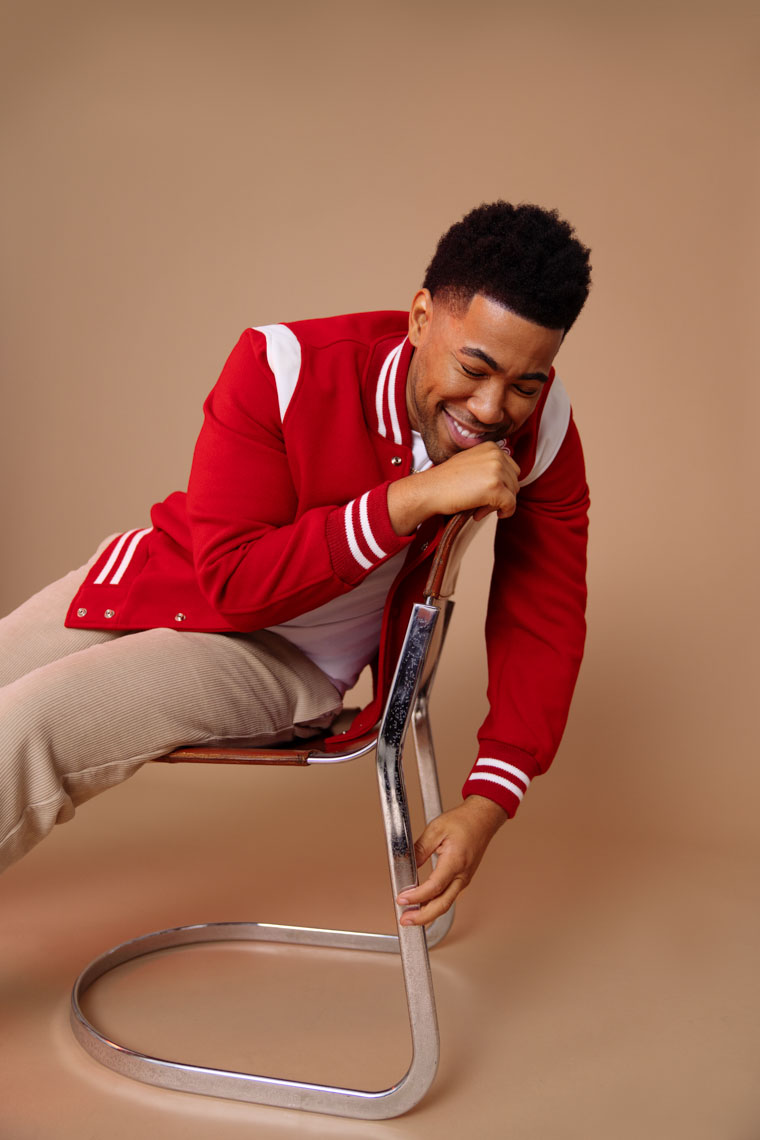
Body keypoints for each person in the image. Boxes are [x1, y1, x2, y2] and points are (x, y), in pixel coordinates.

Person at [0, 201, 591, 926]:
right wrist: (405, 502)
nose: (492, 407)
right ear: (420, 319)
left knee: (28, 723)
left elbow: (544, 616)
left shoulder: (548, 432)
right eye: (475, 367)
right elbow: (232, 579)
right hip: (170, 578)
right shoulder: (280, 367)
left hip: (281, 657)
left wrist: (490, 802)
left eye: (526, 385)